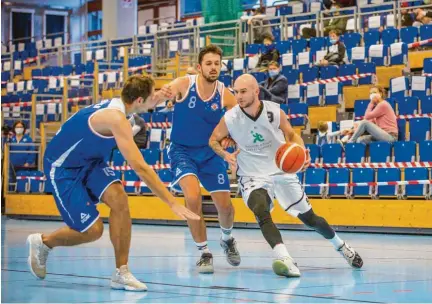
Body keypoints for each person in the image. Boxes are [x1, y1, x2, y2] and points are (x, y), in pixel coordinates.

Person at [26, 75, 200, 291]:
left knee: (119, 198)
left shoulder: (122, 105)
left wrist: (163, 95)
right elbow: (141, 168)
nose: (153, 99)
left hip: (89, 161)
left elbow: (150, 99)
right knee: (93, 231)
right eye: (150, 97)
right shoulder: (116, 119)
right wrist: (172, 202)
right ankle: (44, 243)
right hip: (62, 168)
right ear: (138, 101)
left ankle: (121, 272)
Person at [209, 74, 363, 277]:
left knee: (311, 219)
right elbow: (213, 140)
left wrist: (302, 150)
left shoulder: (274, 111)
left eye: (243, 91)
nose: (238, 96)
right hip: (252, 174)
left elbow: (291, 134)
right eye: (236, 92)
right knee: (260, 209)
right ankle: (284, 258)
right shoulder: (230, 118)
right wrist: (225, 154)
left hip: (281, 170)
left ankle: (342, 246)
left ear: (256, 91)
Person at [155, 45, 241, 274]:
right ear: (199, 66)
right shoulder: (186, 83)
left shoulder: (225, 93)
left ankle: (227, 238)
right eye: (209, 63)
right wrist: (165, 93)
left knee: (225, 206)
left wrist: (231, 137)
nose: (213, 68)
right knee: (192, 199)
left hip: (210, 153)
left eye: (217, 64)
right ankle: (204, 252)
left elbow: (238, 120)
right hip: (183, 151)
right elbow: (169, 89)